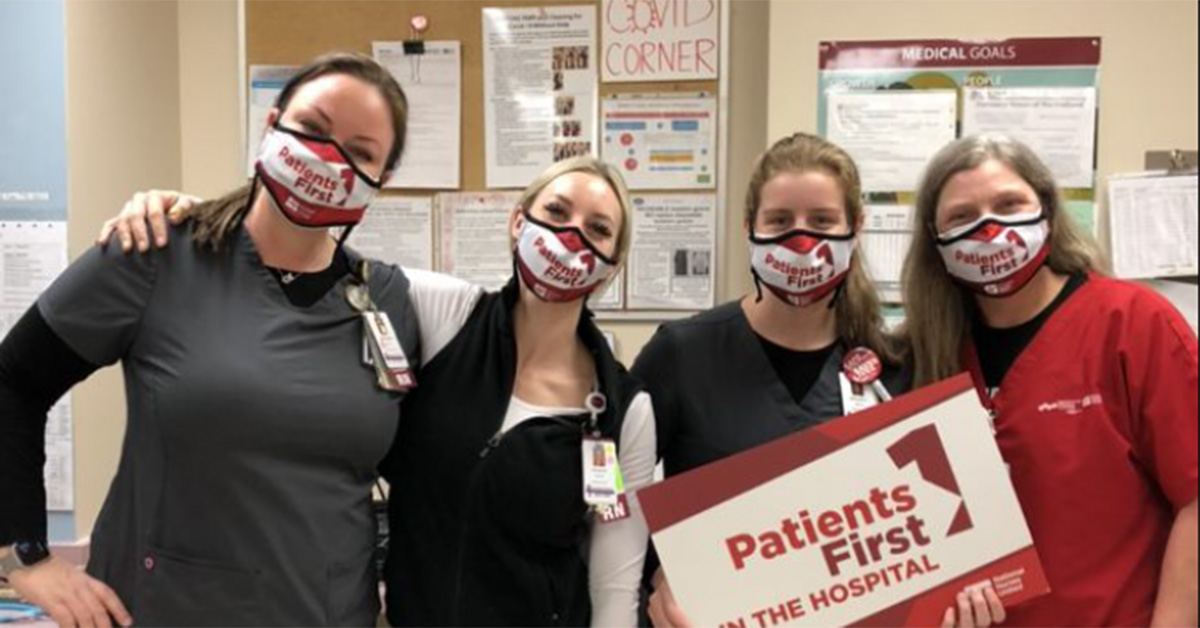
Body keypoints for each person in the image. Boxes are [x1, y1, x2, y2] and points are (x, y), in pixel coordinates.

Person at [93, 156, 657, 627]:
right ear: (517, 222)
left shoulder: (620, 411)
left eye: (598, 229)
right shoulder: (445, 316)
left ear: (610, 268)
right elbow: (311, 261)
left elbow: (613, 582)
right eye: (556, 212)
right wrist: (199, 220)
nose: (570, 236)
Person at [0, 52, 416, 627]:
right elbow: (13, 380)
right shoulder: (154, 253)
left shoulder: (387, 298)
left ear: (382, 180)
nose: (328, 157)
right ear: (271, 126)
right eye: (314, 130)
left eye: (360, 151)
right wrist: (22, 555)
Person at [902, 134, 1198, 627]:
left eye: (1008, 204)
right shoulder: (929, 353)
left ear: (1048, 211)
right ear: (935, 240)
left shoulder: (1131, 323)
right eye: (961, 216)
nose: (988, 228)